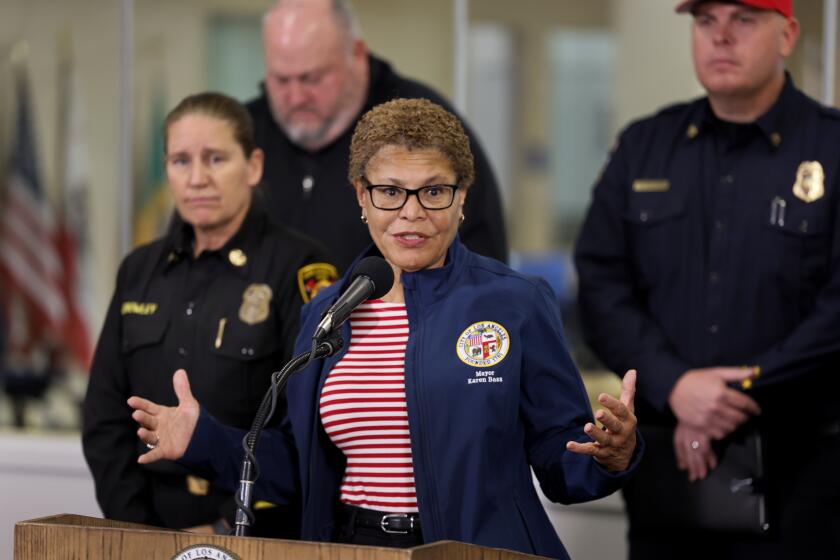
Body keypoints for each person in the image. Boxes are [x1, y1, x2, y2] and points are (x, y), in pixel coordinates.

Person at [128, 98, 642, 559]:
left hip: (478, 552)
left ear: (462, 197)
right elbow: (297, 467)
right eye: (390, 192)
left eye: (434, 191)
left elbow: (561, 458)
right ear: (361, 196)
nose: (411, 214)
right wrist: (205, 440)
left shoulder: (515, 302)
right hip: (352, 550)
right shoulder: (328, 310)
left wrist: (611, 454)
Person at [574, 1, 840, 558]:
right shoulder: (645, 146)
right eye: (705, 21)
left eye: (743, 20)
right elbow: (601, 284)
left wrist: (735, 393)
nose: (721, 38)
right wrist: (676, 386)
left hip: (804, 475)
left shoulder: (830, 148)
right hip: (666, 473)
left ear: (787, 34)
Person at [82, 92, 337, 536]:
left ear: (253, 166)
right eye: (181, 161)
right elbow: (104, 420)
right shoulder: (139, 270)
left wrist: (224, 526)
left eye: (215, 159)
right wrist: (138, 531)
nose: (197, 178)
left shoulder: (300, 267)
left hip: (252, 530)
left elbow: (306, 436)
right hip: (143, 529)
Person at [247, 0, 508, 273]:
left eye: (312, 78)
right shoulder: (244, 138)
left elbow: (484, 270)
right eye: (281, 80)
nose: (297, 97)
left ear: (357, 54)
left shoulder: (428, 128)